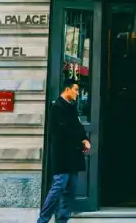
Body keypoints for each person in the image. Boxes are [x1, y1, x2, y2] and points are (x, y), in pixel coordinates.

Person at [38, 78, 90, 223]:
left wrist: (85, 139)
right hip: (61, 155)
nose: (77, 93)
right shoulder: (56, 107)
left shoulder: (71, 107)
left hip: (73, 156)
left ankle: (62, 220)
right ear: (67, 89)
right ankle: (43, 220)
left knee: (70, 190)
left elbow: (78, 128)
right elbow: (62, 132)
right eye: (76, 90)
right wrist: (80, 142)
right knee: (59, 187)